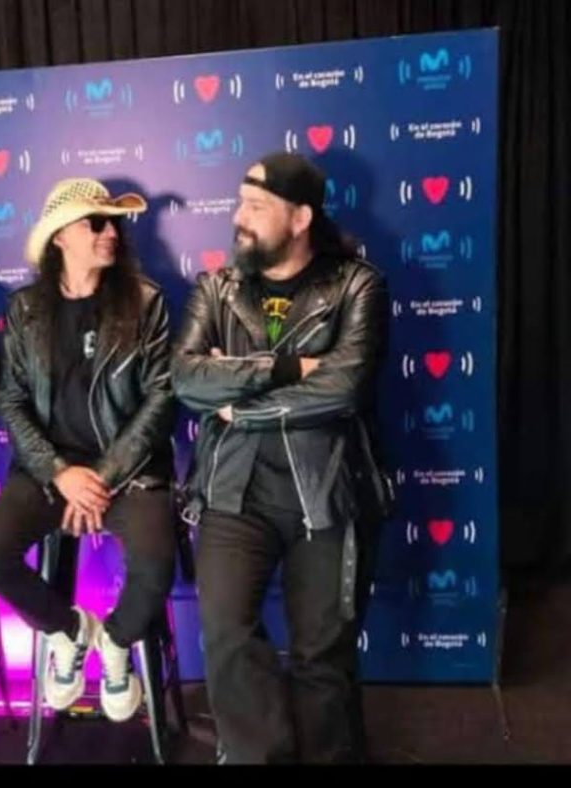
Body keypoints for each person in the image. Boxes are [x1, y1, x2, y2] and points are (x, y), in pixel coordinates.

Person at [171, 152, 391, 763]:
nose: (238, 217)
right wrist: (289, 367)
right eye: (239, 203)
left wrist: (241, 407)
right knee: (226, 632)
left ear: (300, 218)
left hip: (327, 489)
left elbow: (344, 388)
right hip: (232, 490)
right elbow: (186, 379)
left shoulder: (357, 285)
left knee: (323, 652)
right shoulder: (216, 288)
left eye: (256, 206)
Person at [0, 177, 176, 723]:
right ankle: (68, 630)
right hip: (49, 471)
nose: (111, 233)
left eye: (115, 224)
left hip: (128, 472)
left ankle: (116, 642)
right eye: (96, 223)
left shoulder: (146, 302)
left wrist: (102, 475)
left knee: (157, 562)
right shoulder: (25, 309)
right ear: (59, 236)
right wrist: (60, 472)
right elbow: (11, 401)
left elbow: (161, 399)